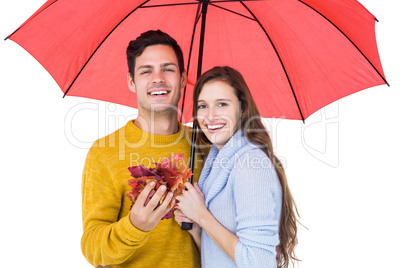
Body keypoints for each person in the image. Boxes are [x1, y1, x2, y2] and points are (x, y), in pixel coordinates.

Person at [81, 30, 203, 268]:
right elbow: (93, 249)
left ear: (182, 77)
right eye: (146, 71)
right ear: (131, 81)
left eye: (168, 69)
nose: (158, 78)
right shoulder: (104, 152)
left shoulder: (206, 145)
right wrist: (135, 227)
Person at [175, 66, 299, 268]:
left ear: (242, 110)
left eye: (222, 104)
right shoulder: (218, 163)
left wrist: (201, 215)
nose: (211, 116)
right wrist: (197, 229)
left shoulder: (249, 166)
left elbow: (257, 262)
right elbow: (218, 258)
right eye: (202, 106)